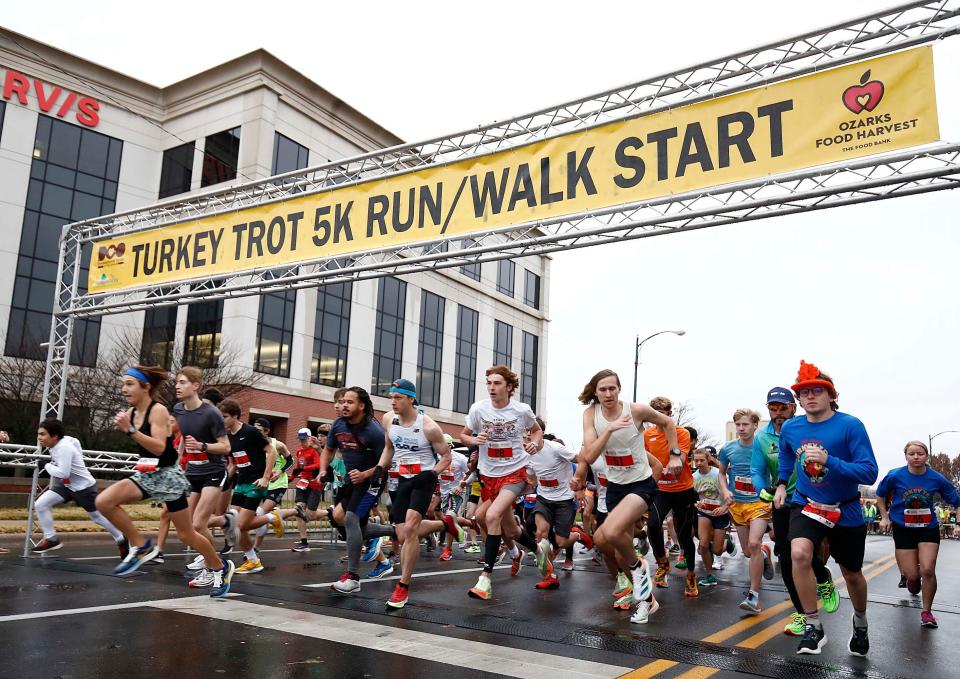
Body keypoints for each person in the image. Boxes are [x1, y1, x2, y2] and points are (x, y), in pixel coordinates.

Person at [95, 365, 234, 597]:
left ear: (145, 386)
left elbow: (160, 447)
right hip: (151, 473)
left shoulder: (158, 410)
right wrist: (172, 432)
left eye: (129, 384)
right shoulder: (151, 412)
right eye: (123, 384)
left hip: (170, 476)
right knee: (104, 502)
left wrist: (131, 431)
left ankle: (220, 567)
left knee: (188, 532)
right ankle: (140, 545)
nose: (123, 389)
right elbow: (173, 435)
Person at [774, 361, 878, 656]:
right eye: (804, 392)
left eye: (817, 390)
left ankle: (860, 622)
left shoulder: (850, 425)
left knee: (852, 573)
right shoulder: (792, 427)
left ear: (831, 395)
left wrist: (829, 460)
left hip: (845, 508)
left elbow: (869, 472)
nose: (810, 396)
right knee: (797, 554)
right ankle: (813, 627)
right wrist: (782, 485)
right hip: (806, 503)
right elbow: (785, 457)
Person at [574, 369, 669, 624]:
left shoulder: (635, 410)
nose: (608, 393)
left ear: (619, 389)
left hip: (641, 485)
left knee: (614, 533)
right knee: (604, 541)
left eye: (612, 388)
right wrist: (609, 430)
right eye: (602, 389)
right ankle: (648, 599)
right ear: (595, 391)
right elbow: (591, 455)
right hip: (615, 487)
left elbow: (667, 422)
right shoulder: (590, 414)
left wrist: (678, 454)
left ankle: (640, 570)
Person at [752, 387, 838, 636]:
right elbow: (757, 470)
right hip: (782, 502)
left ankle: (823, 578)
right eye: (773, 408)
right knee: (787, 558)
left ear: (794, 407)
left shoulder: (805, 428)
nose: (778, 413)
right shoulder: (762, 438)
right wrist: (762, 489)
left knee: (803, 553)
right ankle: (802, 613)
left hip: (811, 499)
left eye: (783, 408)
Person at [460, 365, 545, 602]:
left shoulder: (521, 410)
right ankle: (531, 551)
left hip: (515, 472)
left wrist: (534, 444)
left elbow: (537, 432)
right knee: (506, 527)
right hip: (489, 474)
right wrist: (474, 440)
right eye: (488, 383)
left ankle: (485, 578)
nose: (491, 387)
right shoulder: (478, 409)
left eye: (496, 383)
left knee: (492, 515)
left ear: (509, 387)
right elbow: (464, 435)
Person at [378, 379, 461, 608]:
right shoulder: (388, 419)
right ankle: (444, 523)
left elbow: (446, 457)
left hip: (423, 480)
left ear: (411, 399)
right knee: (403, 534)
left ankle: (402, 586)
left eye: (398, 398)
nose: (393, 402)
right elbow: (389, 447)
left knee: (411, 528)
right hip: (400, 479)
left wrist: (433, 474)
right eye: (391, 397)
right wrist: (379, 469)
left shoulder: (429, 427)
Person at [317, 386, 393, 594]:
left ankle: (352, 577)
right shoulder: (339, 425)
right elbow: (329, 449)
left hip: (372, 479)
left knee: (351, 519)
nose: (343, 406)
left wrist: (365, 474)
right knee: (338, 516)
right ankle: (394, 531)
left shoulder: (374, 431)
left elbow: (386, 461)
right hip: (353, 479)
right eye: (342, 402)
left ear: (361, 405)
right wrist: (323, 470)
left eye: (349, 402)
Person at [877, 440, 960, 629]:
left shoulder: (936, 478)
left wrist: (958, 524)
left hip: (927, 528)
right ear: (905, 455)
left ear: (926, 456)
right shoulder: (895, 475)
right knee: (913, 575)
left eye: (920, 454)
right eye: (912, 454)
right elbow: (880, 496)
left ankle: (927, 612)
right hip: (903, 527)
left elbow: (957, 501)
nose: (916, 457)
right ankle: (912, 581)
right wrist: (884, 517)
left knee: (928, 570)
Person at [217, 400, 302, 574]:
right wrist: (223, 483)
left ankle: (273, 518)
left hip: (257, 483)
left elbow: (271, 451)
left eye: (224, 417)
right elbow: (234, 463)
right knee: (235, 525)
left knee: (241, 525)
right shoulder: (228, 436)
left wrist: (265, 477)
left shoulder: (250, 432)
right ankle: (254, 560)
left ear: (235, 416)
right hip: (241, 483)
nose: (222, 420)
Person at [173, 367, 233, 586]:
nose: (177, 386)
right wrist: (178, 460)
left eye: (182, 382)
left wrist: (202, 446)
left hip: (214, 472)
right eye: (176, 382)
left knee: (198, 525)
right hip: (193, 472)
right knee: (186, 528)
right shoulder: (178, 409)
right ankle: (214, 565)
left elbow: (226, 447)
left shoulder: (211, 414)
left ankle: (216, 567)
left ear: (196, 386)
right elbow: (183, 437)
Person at [32, 419, 126, 555]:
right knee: (41, 504)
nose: (39, 438)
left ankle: (121, 538)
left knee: (97, 518)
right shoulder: (62, 442)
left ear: (55, 435)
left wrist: (46, 465)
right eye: (39, 434)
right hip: (67, 485)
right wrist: (77, 456)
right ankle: (51, 539)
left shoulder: (64, 447)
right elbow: (75, 440)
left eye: (43, 434)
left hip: (83, 488)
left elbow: (63, 473)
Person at [719, 408, 774, 614]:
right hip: (738, 504)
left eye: (745, 424)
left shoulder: (764, 447)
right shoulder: (728, 449)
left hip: (759, 502)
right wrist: (725, 490)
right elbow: (722, 473)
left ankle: (754, 597)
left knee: (753, 543)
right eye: (738, 425)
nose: (741, 428)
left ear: (754, 426)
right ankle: (764, 553)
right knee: (748, 552)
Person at [643, 396, 697, 597]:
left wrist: (675, 462)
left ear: (670, 415)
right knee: (653, 524)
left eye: (664, 415)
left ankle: (691, 574)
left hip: (683, 489)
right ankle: (662, 562)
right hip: (661, 490)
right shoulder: (647, 435)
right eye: (655, 415)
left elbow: (680, 459)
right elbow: (644, 460)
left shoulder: (681, 433)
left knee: (684, 536)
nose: (660, 418)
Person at [526, 422, 589, 590]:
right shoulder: (526, 455)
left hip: (564, 500)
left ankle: (578, 535)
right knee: (541, 533)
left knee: (561, 542)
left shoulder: (555, 448)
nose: (526, 436)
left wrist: (580, 485)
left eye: (529, 432)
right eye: (523, 433)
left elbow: (581, 460)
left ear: (538, 432)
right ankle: (549, 576)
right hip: (544, 498)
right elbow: (532, 479)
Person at [692, 448, 734, 587]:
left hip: (720, 513)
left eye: (701, 460)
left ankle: (727, 542)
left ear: (708, 459)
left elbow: (729, 494)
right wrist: (698, 504)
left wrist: (724, 507)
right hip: (705, 513)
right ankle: (710, 575)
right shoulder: (694, 477)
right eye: (696, 460)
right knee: (703, 545)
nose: (698, 463)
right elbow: (695, 497)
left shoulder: (718, 474)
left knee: (716, 550)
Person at [252, 417, 294, 553]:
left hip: (278, 483)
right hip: (262, 483)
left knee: (261, 512)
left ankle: (256, 547)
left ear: (266, 431)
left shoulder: (278, 445)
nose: (255, 432)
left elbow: (291, 460)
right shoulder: (253, 445)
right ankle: (291, 512)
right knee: (260, 515)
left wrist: (280, 471)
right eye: (254, 429)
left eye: (258, 430)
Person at [437, 436, 471, 561]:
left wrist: (462, 486)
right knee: (447, 520)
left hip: (456, 491)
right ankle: (472, 523)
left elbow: (470, 473)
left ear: (450, 446)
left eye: (445, 445)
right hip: (443, 492)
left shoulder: (460, 458)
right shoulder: (437, 458)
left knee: (450, 517)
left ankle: (448, 549)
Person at [291, 428, 324, 552]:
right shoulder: (299, 452)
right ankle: (304, 542)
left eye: (304, 439)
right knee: (298, 510)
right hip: (303, 483)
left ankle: (329, 512)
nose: (302, 442)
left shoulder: (314, 450)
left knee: (310, 515)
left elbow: (318, 464)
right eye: (300, 439)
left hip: (315, 484)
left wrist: (305, 468)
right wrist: (292, 477)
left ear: (310, 438)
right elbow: (298, 468)